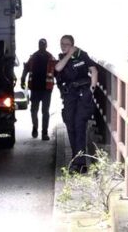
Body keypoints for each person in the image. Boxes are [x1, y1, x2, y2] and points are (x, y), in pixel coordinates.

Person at [55, 35, 98, 173]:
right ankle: (76, 159)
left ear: (72, 44)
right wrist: (69, 54)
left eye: (66, 44)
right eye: (62, 44)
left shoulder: (82, 55)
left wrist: (91, 89)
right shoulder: (62, 58)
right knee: (70, 124)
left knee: (79, 125)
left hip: (83, 94)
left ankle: (80, 164)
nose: (63, 46)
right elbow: (58, 68)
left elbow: (94, 70)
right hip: (69, 95)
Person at [21, 38, 56, 140]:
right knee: (33, 111)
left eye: (43, 44)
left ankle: (44, 133)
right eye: (40, 44)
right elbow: (26, 68)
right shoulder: (33, 57)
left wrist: (61, 84)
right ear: (38, 45)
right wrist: (22, 79)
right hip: (35, 89)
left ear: (46, 46)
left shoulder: (50, 58)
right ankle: (35, 128)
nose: (42, 46)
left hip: (46, 89)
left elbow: (57, 71)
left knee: (45, 111)